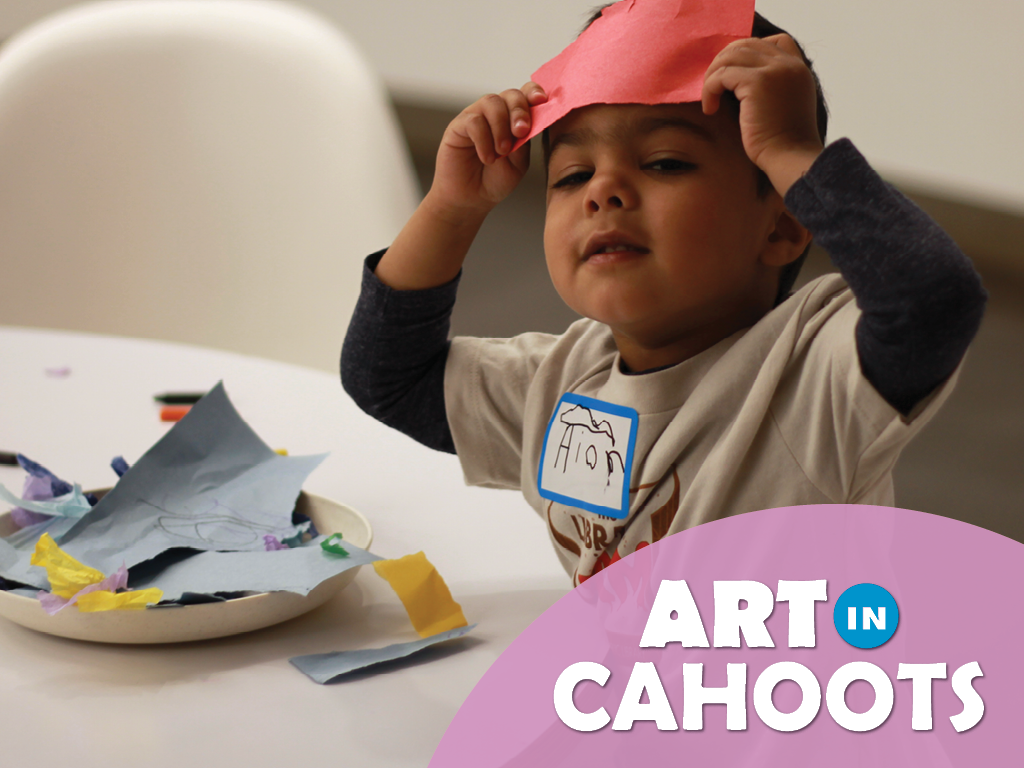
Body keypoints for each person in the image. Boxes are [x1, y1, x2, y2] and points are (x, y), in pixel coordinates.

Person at [341, 3, 987, 586]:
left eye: (665, 163)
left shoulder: (811, 378)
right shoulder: (562, 385)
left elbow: (933, 300)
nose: (604, 190)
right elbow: (388, 375)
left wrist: (793, 152)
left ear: (785, 223)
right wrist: (453, 207)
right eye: (571, 175)